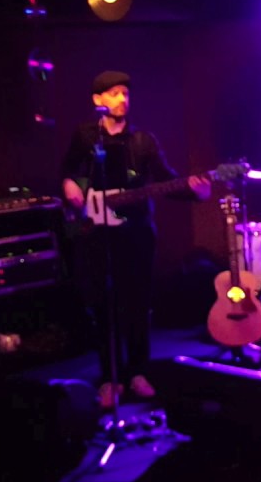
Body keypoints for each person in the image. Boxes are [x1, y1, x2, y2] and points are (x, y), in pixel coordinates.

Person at [60, 71, 212, 409]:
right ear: (98, 100)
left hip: (136, 231)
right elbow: (69, 170)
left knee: (138, 303)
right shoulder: (86, 136)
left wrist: (196, 192)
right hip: (95, 231)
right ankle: (109, 378)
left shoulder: (143, 140)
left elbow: (166, 179)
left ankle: (139, 372)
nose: (122, 99)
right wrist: (71, 186)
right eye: (115, 93)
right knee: (104, 305)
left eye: (126, 93)